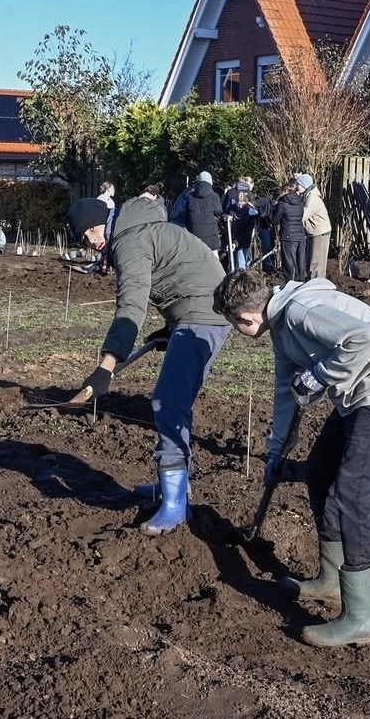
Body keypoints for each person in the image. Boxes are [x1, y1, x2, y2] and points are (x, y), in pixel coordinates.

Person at [212, 268, 370, 647]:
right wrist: (275, 453)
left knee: (351, 494)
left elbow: (366, 338)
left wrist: (319, 375)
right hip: (356, 392)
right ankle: (330, 579)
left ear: (246, 318)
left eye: (234, 325)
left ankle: (361, 617)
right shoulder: (281, 324)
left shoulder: (299, 312)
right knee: (320, 471)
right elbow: (286, 391)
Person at [66, 196, 231, 536]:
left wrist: (106, 366)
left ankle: (174, 504)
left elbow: (131, 306)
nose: (92, 244)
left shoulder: (129, 241)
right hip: (197, 309)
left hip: (204, 315)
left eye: (88, 236)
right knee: (173, 401)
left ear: (98, 226)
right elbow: (179, 271)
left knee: (168, 402)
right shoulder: (138, 228)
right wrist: (171, 326)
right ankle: (174, 487)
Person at [298, 173, 331, 280]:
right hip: (315, 231)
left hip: (319, 232)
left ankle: (317, 283)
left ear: (304, 185)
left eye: (298, 184)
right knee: (313, 259)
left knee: (316, 260)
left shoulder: (312, 198)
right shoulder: (308, 195)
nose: (296, 186)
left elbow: (303, 215)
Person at [271, 179, 306, 281]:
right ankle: (302, 282)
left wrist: (273, 209)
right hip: (300, 235)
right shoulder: (300, 202)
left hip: (288, 236)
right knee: (301, 262)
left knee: (289, 263)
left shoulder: (282, 203)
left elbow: (275, 220)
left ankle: (291, 283)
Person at [184, 171, 223, 255]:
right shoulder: (214, 196)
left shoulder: (190, 196)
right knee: (214, 263)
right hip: (211, 238)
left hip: (194, 238)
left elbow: (186, 215)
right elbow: (219, 212)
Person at [223, 181, 259, 270]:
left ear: (246, 202)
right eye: (238, 203)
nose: (239, 206)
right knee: (232, 264)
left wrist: (236, 243)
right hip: (233, 240)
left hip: (243, 242)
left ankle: (242, 280)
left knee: (241, 264)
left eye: (242, 203)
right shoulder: (232, 210)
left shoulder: (250, 213)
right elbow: (228, 226)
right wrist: (225, 217)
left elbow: (247, 233)